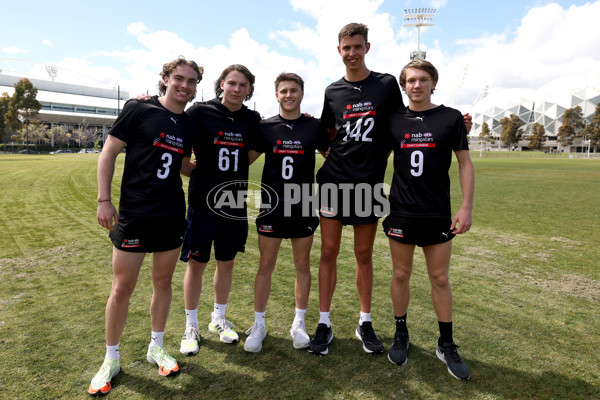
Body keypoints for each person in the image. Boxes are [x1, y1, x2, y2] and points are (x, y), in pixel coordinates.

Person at [88, 57, 202, 396]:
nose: (185, 85)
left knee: (163, 282)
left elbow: (181, 165)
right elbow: (108, 152)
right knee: (122, 288)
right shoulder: (139, 109)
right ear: (165, 79)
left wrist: (219, 169)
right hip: (135, 214)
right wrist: (103, 200)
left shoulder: (189, 125)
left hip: (169, 215)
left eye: (191, 81)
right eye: (179, 78)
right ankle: (111, 359)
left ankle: (156, 347)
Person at [308, 22, 406, 356]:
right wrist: (333, 156)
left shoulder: (386, 84)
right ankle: (324, 323)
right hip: (334, 183)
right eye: (346, 48)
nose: (352, 53)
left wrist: (379, 157)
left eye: (357, 46)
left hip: (369, 186)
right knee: (328, 253)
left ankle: (364, 321)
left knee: (364, 254)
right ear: (339, 50)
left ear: (367, 47)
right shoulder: (332, 91)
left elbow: (400, 127)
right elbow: (324, 135)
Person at [384, 59, 474, 380]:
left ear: (433, 82)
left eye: (423, 79)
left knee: (439, 279)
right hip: (401, 213)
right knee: (400, 275)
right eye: (410, 80)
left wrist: (466, 207)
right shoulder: (392, 120)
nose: (416, 85)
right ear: (403, 85)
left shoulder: (450, 118)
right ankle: (400, 332)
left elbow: (465, 163)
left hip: (437, 212)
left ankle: (446, 343)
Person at [178, 64, 262, 355]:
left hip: (234, 202)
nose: (237, 89)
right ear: (222, 84)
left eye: (243, 84)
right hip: (203, 202)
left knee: (227, 262)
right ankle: (191, 324)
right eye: (232, 83)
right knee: (197, 264)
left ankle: (218, 317)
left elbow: (250, 155)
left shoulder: (252, 119)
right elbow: (177, 146)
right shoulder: (200, 112)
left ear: (249, 89)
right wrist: (195, 173)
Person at [243, 73, 330, 353]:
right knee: (265, 266)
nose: (289, 95)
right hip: (272, 206)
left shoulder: (314, 126)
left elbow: (336, 154)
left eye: (294, 90)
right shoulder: (265, 127)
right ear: (276, 95)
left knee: (302, 266)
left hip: (303, 205)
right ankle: (259, 325)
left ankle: (299, 323)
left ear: (302, 93)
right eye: (283, 91)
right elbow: (243, 160)